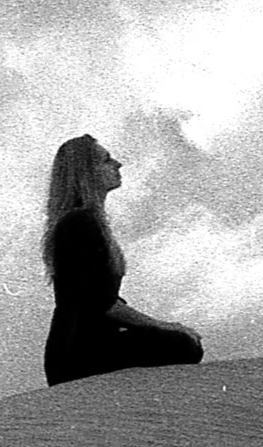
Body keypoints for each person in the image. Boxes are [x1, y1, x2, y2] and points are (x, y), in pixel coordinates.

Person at [41, 133, 204, 388]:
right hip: (77, 355)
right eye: (106, 160)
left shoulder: (87, 222)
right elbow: (102, 304)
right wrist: (166, 326)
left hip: (85, 348)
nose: (118, 164)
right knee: (183, 345)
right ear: (87, 171)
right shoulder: (79, 223)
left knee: (181, 343)